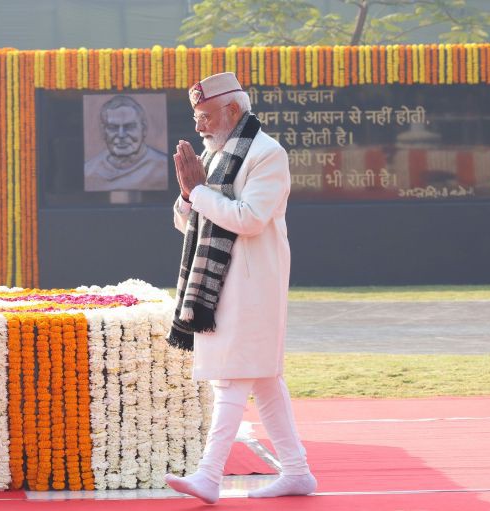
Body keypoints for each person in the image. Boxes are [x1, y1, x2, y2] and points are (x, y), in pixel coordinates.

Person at [165, 72, 316, 503]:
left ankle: (208, 476)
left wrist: (198, 191)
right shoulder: (215, 155)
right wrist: (188, 195)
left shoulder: (267, 153)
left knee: (231, 378)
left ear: (232, 110)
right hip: (220, 285)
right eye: (196, 117)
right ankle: (297, 472)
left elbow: (249, 219)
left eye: (206, 116)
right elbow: (189, 224)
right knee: (263, 380)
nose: (199, 126)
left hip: (253, 285)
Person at [84, 95, 168, 191]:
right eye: (113, 127)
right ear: (104, 131)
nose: (121, 135)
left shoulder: (163, 166)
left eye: (129, 126)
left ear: (143, 129)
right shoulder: (89, 171)